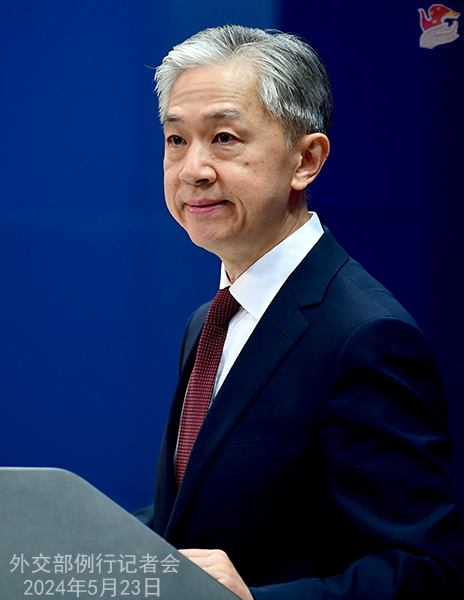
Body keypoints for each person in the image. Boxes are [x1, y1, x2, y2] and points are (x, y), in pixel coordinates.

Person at [143, 24, 464, 599]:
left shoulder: (367, 337)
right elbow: (190, 519)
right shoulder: (208, 321)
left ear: (306, 160)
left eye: (223, 138)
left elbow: (424, 572)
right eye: (175, 140)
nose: (193, 168)